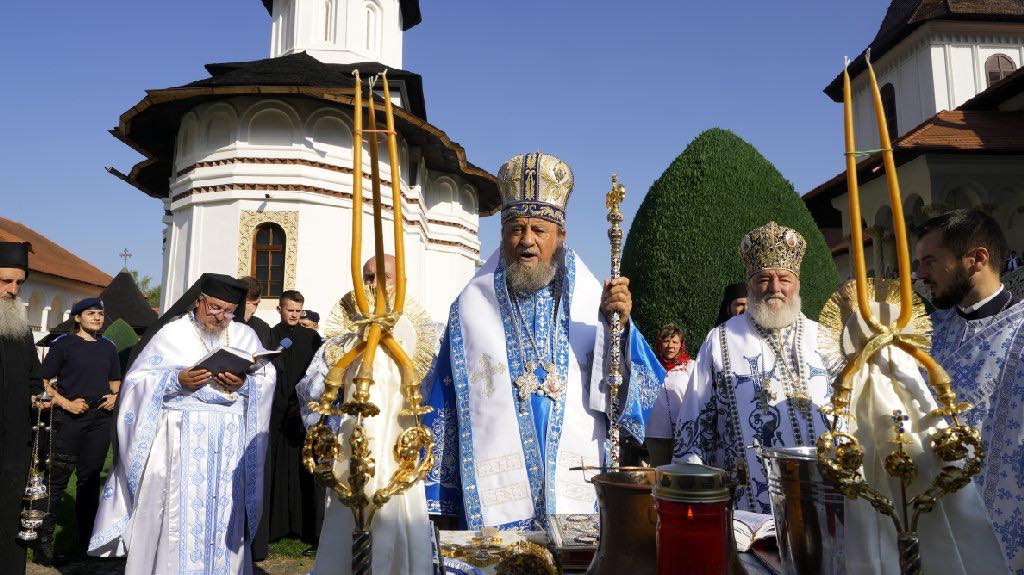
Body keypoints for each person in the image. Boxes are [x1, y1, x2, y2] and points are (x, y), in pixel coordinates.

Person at [424, 152, 664, 530]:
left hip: (577, 486)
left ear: (561, 237)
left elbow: (634, 396)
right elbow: (444, 403)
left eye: (539, 229)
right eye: (516, 229)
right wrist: (441, 498)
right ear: (502, 235)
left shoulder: (592, 301)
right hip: (496, 499)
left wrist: (618, 327)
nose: (527, 241)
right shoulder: (469, 308)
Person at [88, 273, 276, 574]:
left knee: (223, 515)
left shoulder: (245, 335)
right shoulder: (171, 333)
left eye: (229, 311)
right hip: (177, 446)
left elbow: (266, 380)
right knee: (176, 516)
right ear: (199, 301)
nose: (221, 317)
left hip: (228, 449)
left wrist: (243, 384)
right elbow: (137, 381)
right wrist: (176, 380)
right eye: (215, 308)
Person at [673, 222, 831, 513]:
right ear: (749, 285)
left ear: (797, 283)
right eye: (764, 279)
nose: (775, 288)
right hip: (745, 510)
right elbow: (694, 426)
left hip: (824, 504)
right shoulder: (720, 340)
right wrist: (691, 502)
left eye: (784, 279)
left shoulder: (824, 338)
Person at [296, 254, 440, 574]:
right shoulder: (346, 336)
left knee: (398, 516)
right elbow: (311, 390)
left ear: (399, 280)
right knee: (345, 522)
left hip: (398, 451)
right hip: (353, 450)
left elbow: (431, 394)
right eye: (368, 277)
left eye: (383, 277)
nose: (374, 285)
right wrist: (332, 425)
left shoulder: (417, 335)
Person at [916, 209, 1024, 573]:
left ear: (977, 258)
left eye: (930, 261)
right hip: (937, 524)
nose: (919, 275)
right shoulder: (924, 334)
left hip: (1009, 524)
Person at [35, 298, 121, 565]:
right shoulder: (63, 344)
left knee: (89, 480)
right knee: (56, 481)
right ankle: (42, 544)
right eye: (90, 313)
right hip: (69, 418)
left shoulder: (108, 347)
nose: (97, 317)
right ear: (77, 318)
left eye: (100, 313)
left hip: (100, 420)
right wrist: (65, 403)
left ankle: (87, 543)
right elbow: (42, 381)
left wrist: (115, 396)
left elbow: (115, 382)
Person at [261, 290, 323, 556]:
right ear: (280, 309)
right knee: (276, 466)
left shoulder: (311, 338)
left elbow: (318, 373)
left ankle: (305, 527)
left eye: (298, 311)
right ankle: (276, 527)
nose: (295, 315)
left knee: (304, 468)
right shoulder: (270, 336)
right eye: (290, 310)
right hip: (276, 411)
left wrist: (303, 405)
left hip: (303, 412)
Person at [0, 242, 42, 575]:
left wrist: (38, 395)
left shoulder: (19, 325)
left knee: (10, 512)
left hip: (15, 438)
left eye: (19, 283)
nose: (13, 290)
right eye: (5, 281)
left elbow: (33, 375)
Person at [645, 323, 692, 466]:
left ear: (681, 344)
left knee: (681, 471)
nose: (670, 346)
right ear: (660, 344)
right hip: (656, 431)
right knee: (659, 471)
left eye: (675, 342)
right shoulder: (650, 365)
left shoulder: (690, 366)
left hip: (683, 430)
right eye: (666, 341)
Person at [239, 275, 273, 349]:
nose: (254, 310)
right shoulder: (221, 325)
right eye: (249, 303)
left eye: (256, 304)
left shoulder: (262, 328)